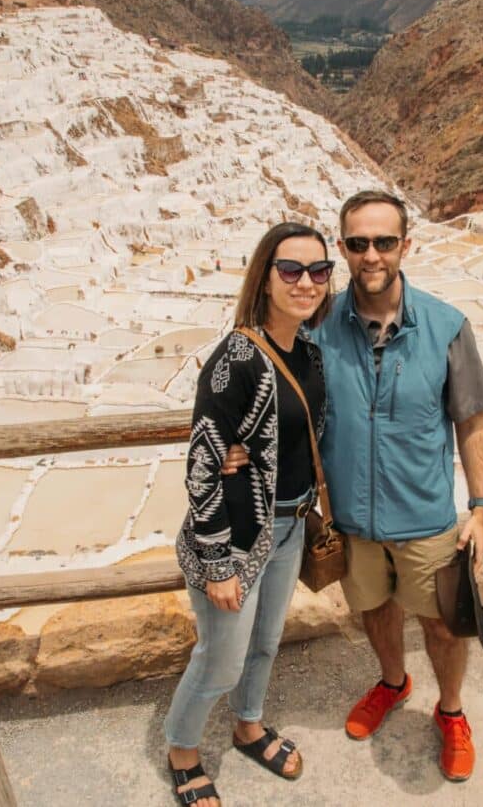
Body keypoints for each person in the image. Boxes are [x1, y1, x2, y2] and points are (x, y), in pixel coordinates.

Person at [224, 190, 483, 782]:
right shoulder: (318, 330)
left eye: (384, 242)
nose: (371, 255)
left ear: (405, 245)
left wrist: (479, 508)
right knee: (373, 609)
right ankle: (393, 683)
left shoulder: (447, 327)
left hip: (425, 517)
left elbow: (471, 420)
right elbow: (277, 398)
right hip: (352, 520)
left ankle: (451, 713)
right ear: (342, 248)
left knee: (444, 622)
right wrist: (234, 446)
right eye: (357, 243)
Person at [166, 222, 334, 807]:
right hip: (236, 540)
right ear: (264, 277)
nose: (306, 282)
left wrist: (256, 454)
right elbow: (201, 467)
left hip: (289, 527)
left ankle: (249, 726)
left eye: (318, 270)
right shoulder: (234, 359)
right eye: (291, 269)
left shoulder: (309, 353)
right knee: (220, 658)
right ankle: (183, 752)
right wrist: (216, 564)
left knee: (266, 641)